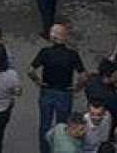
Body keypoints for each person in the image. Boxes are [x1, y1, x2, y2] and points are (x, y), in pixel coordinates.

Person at [30, 24, 87, 153]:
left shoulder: (45, 52)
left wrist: (38, 81)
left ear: (52, 36)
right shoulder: (72, 55)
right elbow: (83, 76)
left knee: (45, 125)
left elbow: (31, 70)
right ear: (64, 37)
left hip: (47, 91)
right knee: (63, 126)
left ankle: (44, 150)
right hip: (64, 93)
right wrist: (77, 87)